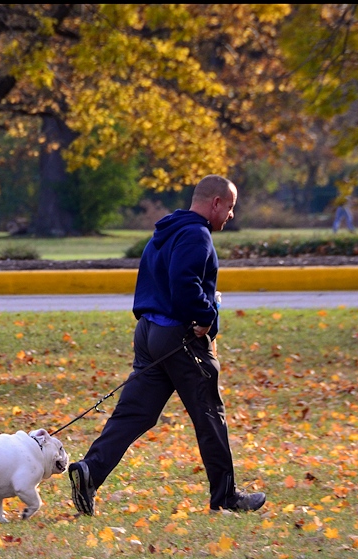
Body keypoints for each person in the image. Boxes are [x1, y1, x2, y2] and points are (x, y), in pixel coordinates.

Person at [68, 174, 266, 515]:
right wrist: (205, 315)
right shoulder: (196, 234)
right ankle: (227, 497)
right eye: (230, 207)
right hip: (181, 337)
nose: (231, 215)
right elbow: (184, 283)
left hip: (149, 332)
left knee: (135, 412)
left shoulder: (166, 231)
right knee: (209, 415)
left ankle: (91, 471)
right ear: (215, 203)